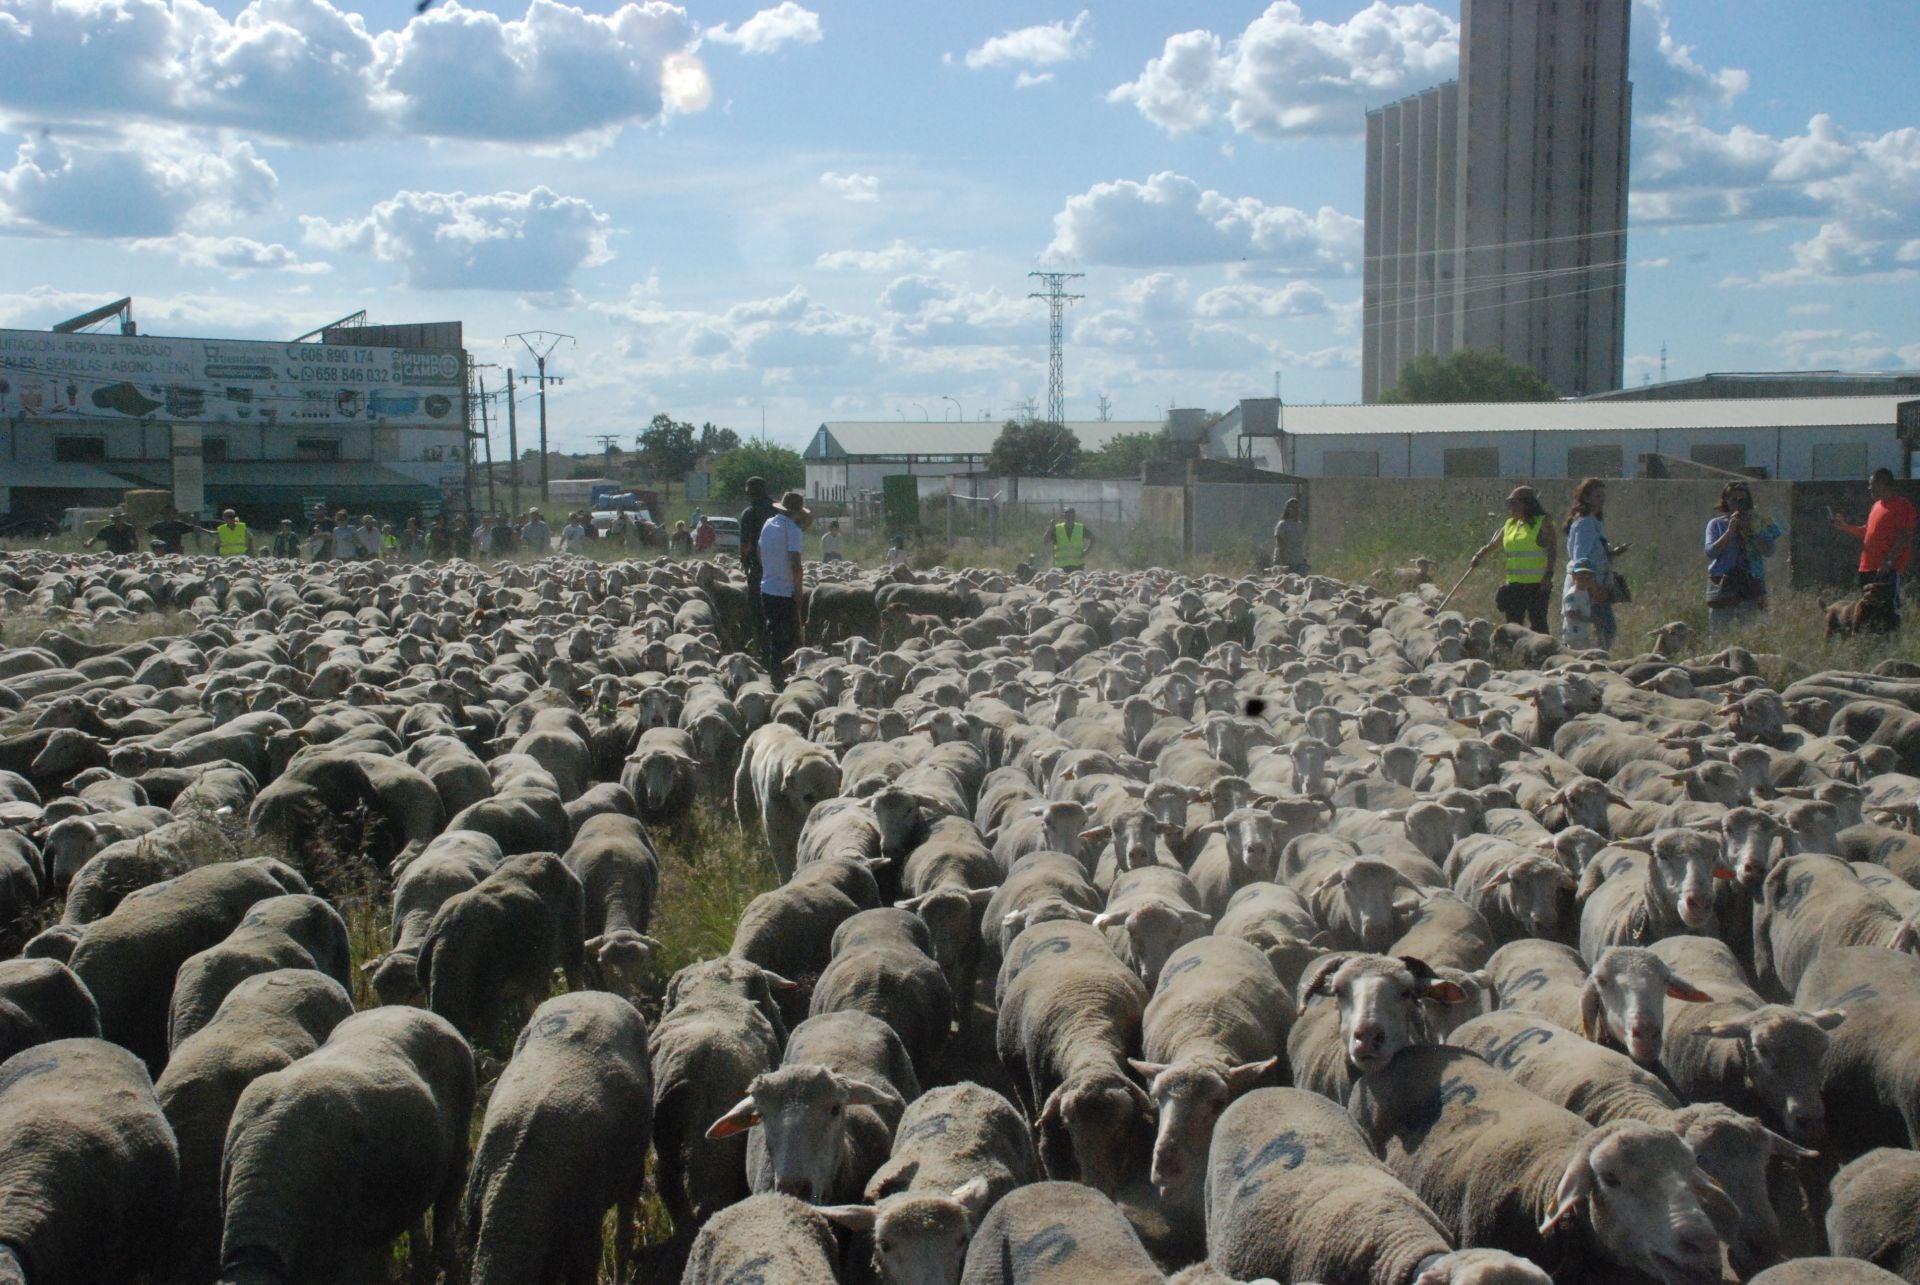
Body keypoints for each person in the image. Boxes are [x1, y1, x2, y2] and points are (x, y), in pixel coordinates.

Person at [1832, 467, 1917, 630]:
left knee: (1888, 612)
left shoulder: (1902, 506)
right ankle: (1868, 646)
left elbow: (1905, 536)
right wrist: (1845, 527)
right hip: (1867, 568)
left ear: (1883, 483)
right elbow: (1867, 532)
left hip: (1886, 571)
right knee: (1867, 613)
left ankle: (1890, 647)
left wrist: (1888, 562)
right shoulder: (1876, 506)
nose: (1869, 488)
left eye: (1872, 484)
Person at [1469, 486, 1558, 633]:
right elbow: (1494, 544)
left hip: (1537, 584)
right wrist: (1479, 556)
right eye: (1509, 503)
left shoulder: (1543, 522)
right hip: (1514, 583)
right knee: (1513, 625)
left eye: (1514, 503)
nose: (1510, 507)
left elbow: (1552, 550)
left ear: (1527, 504)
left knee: (1538, 624)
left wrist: (1548, 575)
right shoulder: (1510, 524)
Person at [1704, 479, 1781, 632]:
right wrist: (1729, 531)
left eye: (1742, 500)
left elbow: (1769, 550)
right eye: (1734, 500)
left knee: (1752, 629)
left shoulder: (1757, 522)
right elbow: (1711, 552)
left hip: (1751, 581)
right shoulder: (1716, 524)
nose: (1738, 504)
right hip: (1723, 582)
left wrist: (1751, 530)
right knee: (1720, 630)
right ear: (1726, 501)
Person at [1562, 477, 1628, 651]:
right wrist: (1593, 586)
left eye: (1603, 496)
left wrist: (1611, 553)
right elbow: (1580, 557)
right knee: (1605, 627)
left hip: (1595, 582)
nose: (1602, 501)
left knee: (1600, 627)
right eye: (1598, 496)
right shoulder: (1584, 524)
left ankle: (1594, 654)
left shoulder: (1594, 523)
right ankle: (1596, 657)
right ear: (1587, 498)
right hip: (1589, 585)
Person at [758, 490, 810, 688]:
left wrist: (770, 569)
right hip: (785, 591)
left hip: (768, 587)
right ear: (797, 512)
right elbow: (795, 563)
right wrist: (798, 592)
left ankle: (776, 676)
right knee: (789, 638)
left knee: (774, 634)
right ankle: (784, 680)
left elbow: (760, 550)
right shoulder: (792, 530)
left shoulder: (768, 524)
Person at [738, 476, 779, 649]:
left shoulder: (749, 513)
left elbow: (746, 544)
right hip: (782, 568)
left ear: (749, 492)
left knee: (759, 612)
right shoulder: (779, 511)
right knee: (780, 612)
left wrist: (744, 561)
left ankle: (764, 649)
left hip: (759, 569)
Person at [1561, 561, 1599, 650]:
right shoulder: (1572, 595)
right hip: (1573, 635)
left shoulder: (1585, 591)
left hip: (1582, 633)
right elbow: (1570, 613)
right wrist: (1589, 619)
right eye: (1581, 578)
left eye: (1588, 578)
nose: (1584, 581)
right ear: (1574, 576)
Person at [1044, 506, 1093, 571]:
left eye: (1071, 514)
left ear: (1074, 516)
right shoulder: (1057, 528)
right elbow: (1045, 541)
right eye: (1067, 515)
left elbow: (1093, 539)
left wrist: (1086, 551)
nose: (1069, 517)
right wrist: (1050, 529)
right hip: (1061, 567)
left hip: (1077, 565)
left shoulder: (1080, 528)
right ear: (1064, 516)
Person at [1270, 496, 1307, 574]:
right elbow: (1280, 544)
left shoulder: (1299, 525)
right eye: (1292, 507)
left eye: (1296, 507)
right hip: (1284, 563)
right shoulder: (1282, 525)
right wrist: (1284, 562)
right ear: (1287, 509)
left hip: (1297, 562)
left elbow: (1299, 544)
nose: (1294, 509)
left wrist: (1302, 559)